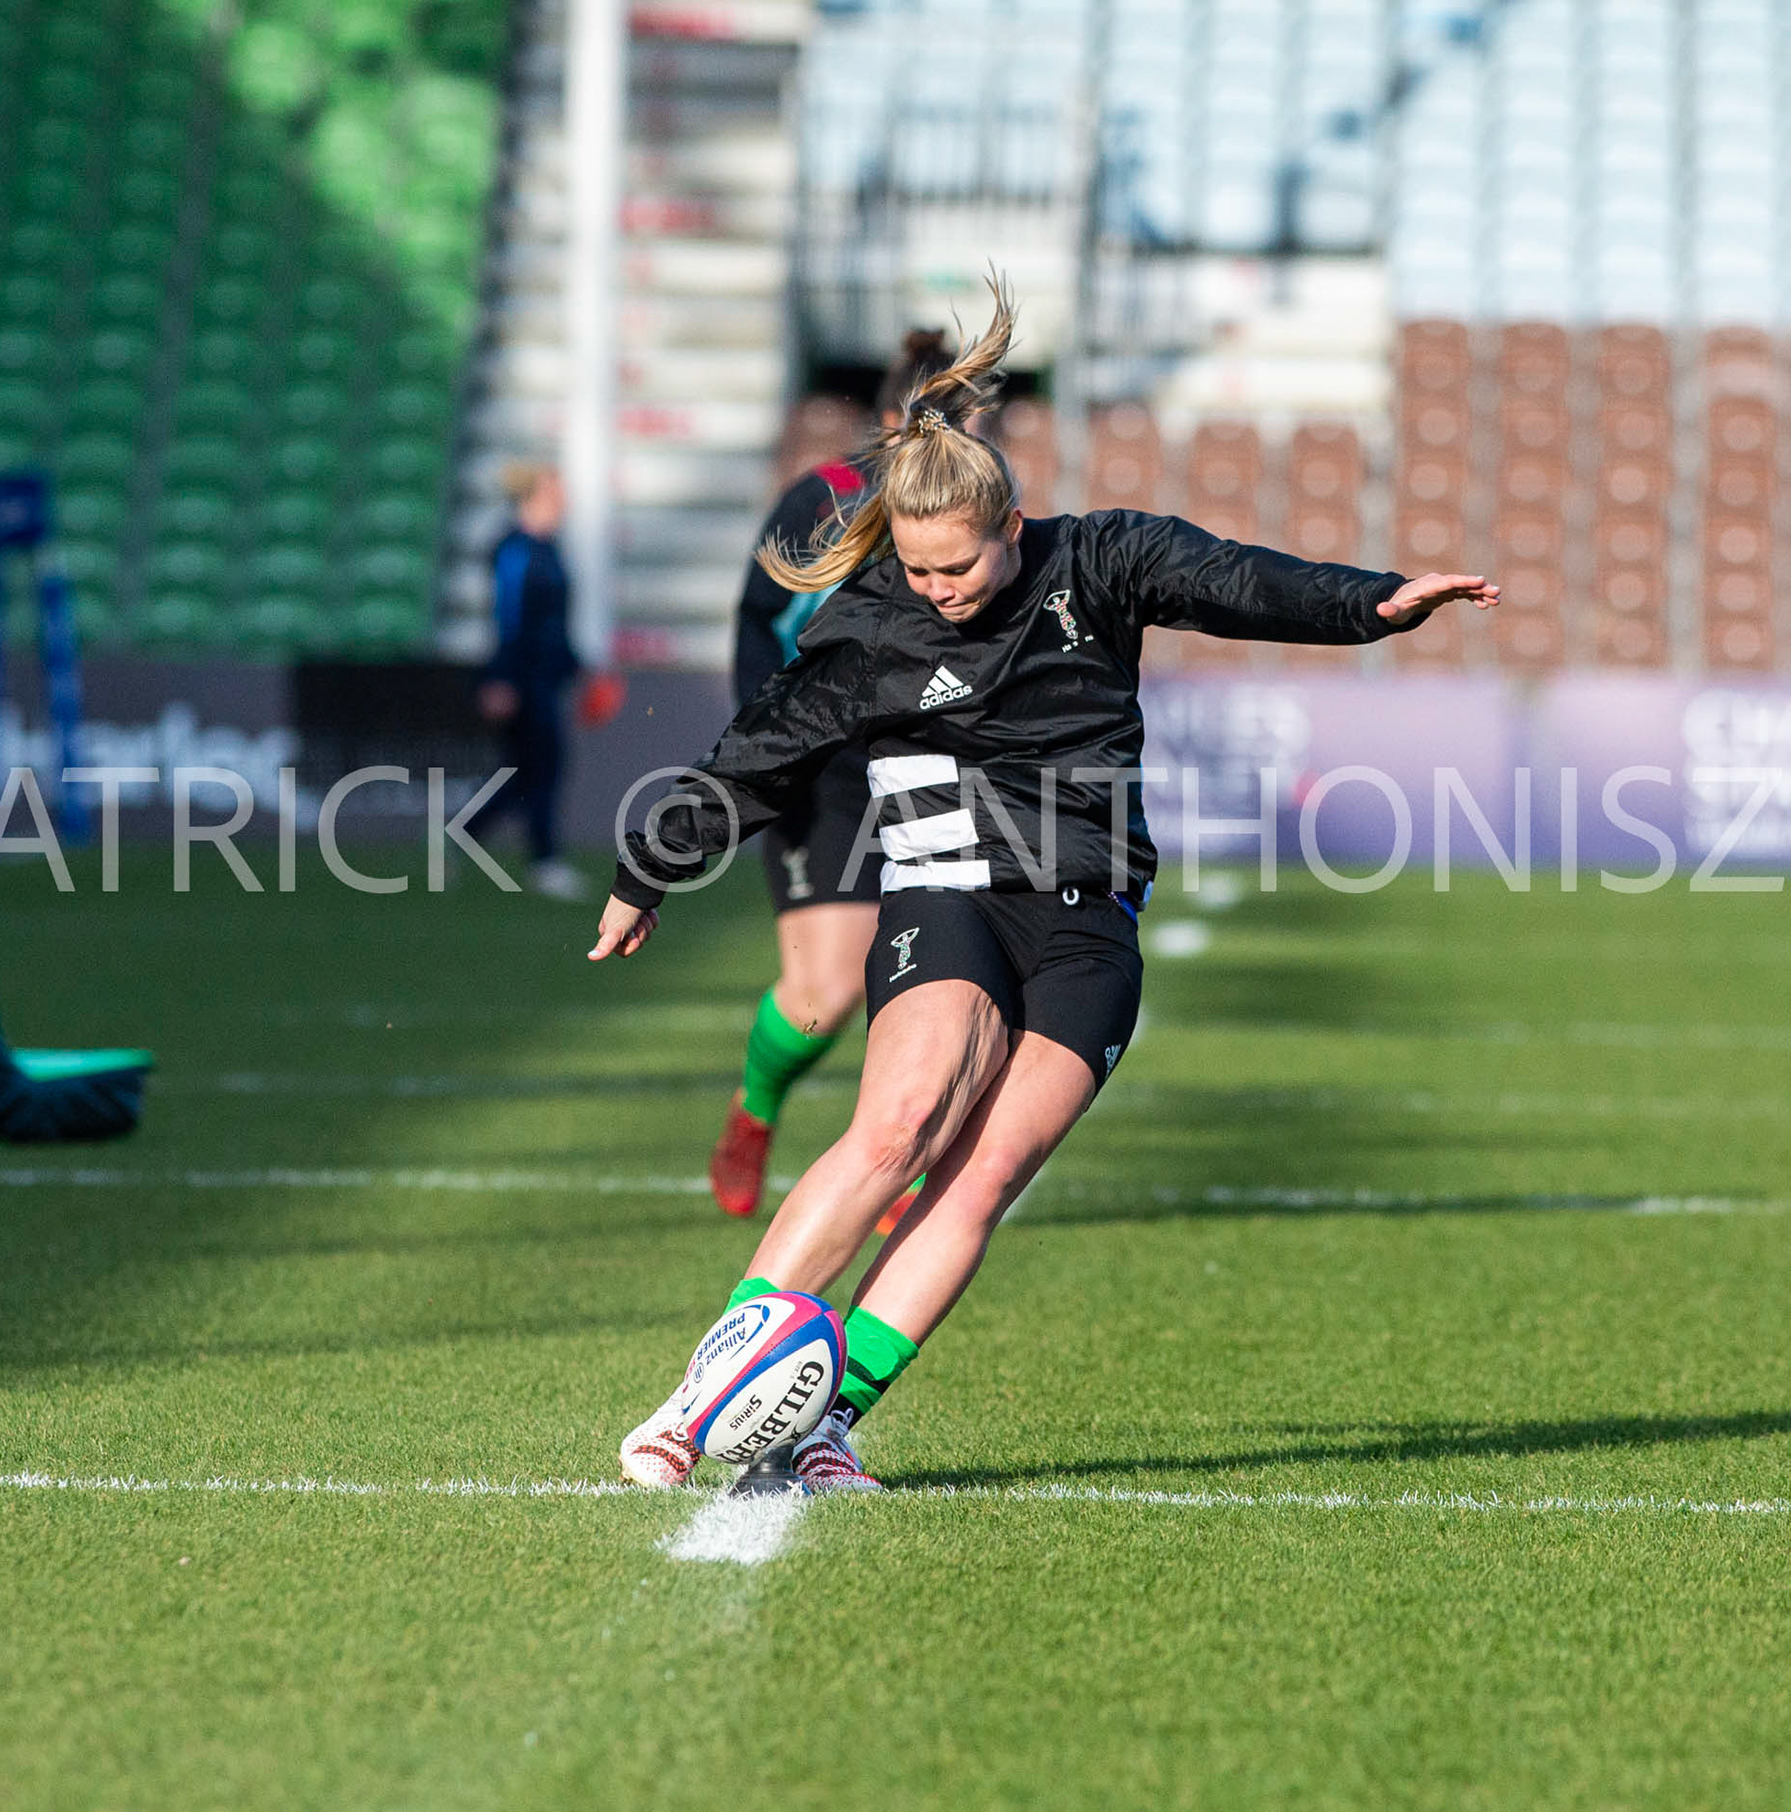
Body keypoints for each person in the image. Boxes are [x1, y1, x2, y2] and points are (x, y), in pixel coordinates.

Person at [590, 280, 1499, 1494]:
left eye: (955, 564)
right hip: (949, 886)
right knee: (901, 1123)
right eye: (914, 569)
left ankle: (825, 1426)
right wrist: (651, 870)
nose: (937, 588)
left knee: (982, 1177)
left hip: (1089, 918)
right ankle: (697, 1403)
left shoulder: (1099, 562)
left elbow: (1234, 578)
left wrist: (1369, 604)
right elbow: (760, 752)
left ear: (1011, 525)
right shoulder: (871, 626)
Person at [707, 329, 952, 1220]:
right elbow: (755, 624)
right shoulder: (826, 500)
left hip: (935, 764)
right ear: (892, 421)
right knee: (823, 998)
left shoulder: (980, 507)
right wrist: (766, 744)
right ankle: (754, 1111)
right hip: (829, 762)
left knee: (947, 972)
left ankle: (901, 1150)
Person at [472, 461, 586, 902]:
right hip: (521, 676)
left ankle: (463, 834)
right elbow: (510, 617)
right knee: (543, 767)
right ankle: (545, 862)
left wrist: (578, 665)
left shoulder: (549, 547)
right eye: (556, 490)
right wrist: (501, 678)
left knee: (525, 771)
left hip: (548, 674)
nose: (565, 500)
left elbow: (555, 622)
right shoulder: (515, 549)